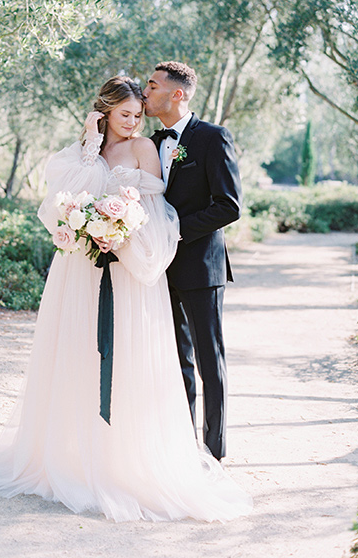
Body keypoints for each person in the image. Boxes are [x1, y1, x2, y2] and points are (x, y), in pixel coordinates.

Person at [0, 76, 251, 522]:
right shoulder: (87, 148)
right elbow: (63, 199)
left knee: (186, 360)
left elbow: (161, 211)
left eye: (138, 111)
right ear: (104, 113)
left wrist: (120, 234)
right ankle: (74, 455)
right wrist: (84, 219)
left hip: (142, 266)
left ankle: (201, 453)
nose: (134, 119)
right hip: (81, 268)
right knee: (79, 355)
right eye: (125, 114)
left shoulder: (165, 144)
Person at [143, 61, 242, 462]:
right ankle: (184, 449)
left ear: (176, 94)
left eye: (152, 86)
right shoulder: (150, 142)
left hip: (202, 268)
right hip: (157, 269)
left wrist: (174, 229)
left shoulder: (213, 138)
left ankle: (214, 452)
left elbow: (229, 206)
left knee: (208, 360)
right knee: (175, 359)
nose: (145, 92)